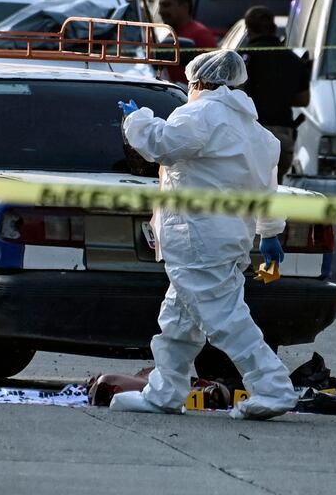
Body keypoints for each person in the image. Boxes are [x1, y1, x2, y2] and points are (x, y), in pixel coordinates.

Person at [110, 49, 297, 420]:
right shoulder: (257, 132)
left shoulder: (199, 113)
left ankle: (274, 389)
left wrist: (136, 120)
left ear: (199, 81)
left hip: (198, 237)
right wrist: (270, 233)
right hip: (226, 237)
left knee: (225, 319)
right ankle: (165, 392)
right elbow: (267, 190)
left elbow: (162, 146)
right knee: (177, 322)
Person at [240, 6, 309, 181]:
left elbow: (233, 93)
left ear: (248, 28)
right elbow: (303, 99)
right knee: (274, 189)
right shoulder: (293, 59)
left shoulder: (243, 58)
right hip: (282, 137)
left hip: (249, 133)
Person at [157, 0, 217, 83]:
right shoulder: (171, 34)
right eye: (161, 6)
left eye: (166, 5)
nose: (160, 11)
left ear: (185, 7)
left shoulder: (201, 36)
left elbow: (211, 79)